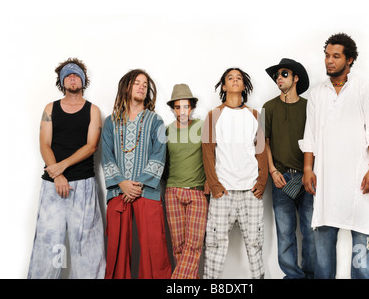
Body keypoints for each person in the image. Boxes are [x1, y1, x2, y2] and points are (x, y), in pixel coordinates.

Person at [299, 33, 369, 279]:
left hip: (359, 179)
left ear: (350, 59)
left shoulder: (364, 89)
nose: (329, 61)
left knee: (362, 242)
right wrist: (307, 169)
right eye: (327, 55)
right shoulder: (317, 93)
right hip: (325, 181)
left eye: (336, 56)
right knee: (323, 247)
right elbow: (310, 135)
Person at [28, 58, 105, 278]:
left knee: (88, 249)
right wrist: (58, 175)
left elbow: (92, 146)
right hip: (52, 186)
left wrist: (62, 167)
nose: (72, 78)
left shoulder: (93, 110)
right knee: (48, 246)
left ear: (83, 80)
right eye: (68, 75)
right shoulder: (50, 108)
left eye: (76, 74)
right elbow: (44, 143)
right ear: (62, 82)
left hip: (84, 185)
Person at [101, 69, 172, 279]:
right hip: (118, 192)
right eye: (137, 83)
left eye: (145, 84)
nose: (142, 87)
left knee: (154, 249)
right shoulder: (111, 121)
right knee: (117, 249)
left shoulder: (155, 120)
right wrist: (122, 183)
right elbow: (106, 156)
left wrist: (137, 186)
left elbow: (160, 155)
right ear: (126, 86)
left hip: (146, 192)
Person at [202, 68, 268, 279]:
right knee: (214, 246)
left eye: (239, 77)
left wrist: (262, 181)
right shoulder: (213, 116)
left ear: (244, 85)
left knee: (255, 244)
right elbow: (208, 152)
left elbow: (261, 150)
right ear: (223, 86)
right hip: (223, 191)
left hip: (250, 191)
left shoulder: (254, 115)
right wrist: (214, 185)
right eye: (230, 78)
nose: (235, 80)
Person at [263, 58, 316, 279]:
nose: (279, 78)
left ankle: (311, 275)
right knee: (285, 233)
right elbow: (263, 142)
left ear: (296, 78)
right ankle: (293, 276)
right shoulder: (269, 107)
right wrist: (272, 171)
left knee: (311, 232)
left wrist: (310, 171)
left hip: (307, 177)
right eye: (277, 75)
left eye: (284, 74)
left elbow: (315, 140)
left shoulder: (309, 106)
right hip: (281, 179)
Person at [164, 84, 209, 279]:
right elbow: (162, 162)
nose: (182, 111)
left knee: (194, 245)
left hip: (197, 192)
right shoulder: (166, 131)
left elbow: (213, 155)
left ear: (192, 107)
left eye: (186, 107)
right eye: (177, 107)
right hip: (172, 191)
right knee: (178, 247)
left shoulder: (202, 126)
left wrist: (209, 179)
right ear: (173, 109)